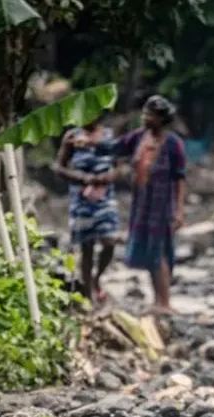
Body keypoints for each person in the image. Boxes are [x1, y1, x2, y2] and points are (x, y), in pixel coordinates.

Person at [114, 95, 187, 315]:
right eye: (145, 113)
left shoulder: (174, 144)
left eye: (151, 115)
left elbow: (180, 179)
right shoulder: (138, 137)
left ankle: (164, 302)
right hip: (142, 203)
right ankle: (157, 300)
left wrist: (179, 210)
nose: (146, 117)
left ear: (161, 119)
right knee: (147, 251)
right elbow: (115, 148)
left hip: (162, 205)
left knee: (160, 252)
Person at [53, 118, 121, 304]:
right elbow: (59, 167)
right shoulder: (72, 137)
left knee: (110, 240)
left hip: (104, 197)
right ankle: (88, 293)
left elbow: (119, 165)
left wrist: (105, 178)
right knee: (87, 246)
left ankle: (97, 278)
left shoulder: (109, 136)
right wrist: (83, 179)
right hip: (81, 198)